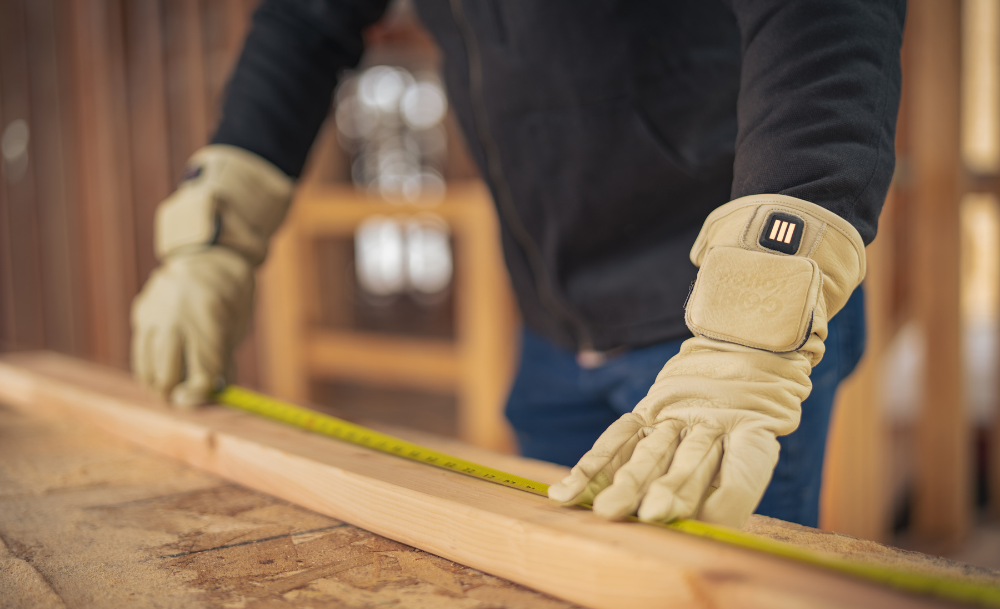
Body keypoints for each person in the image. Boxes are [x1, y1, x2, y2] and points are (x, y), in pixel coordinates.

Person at [131, 0, 905, 529]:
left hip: (723, 339)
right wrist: (215, 227)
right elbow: (305, 19)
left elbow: (820, 16)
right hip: (550, 322)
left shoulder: (738, 338)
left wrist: (756, 308)